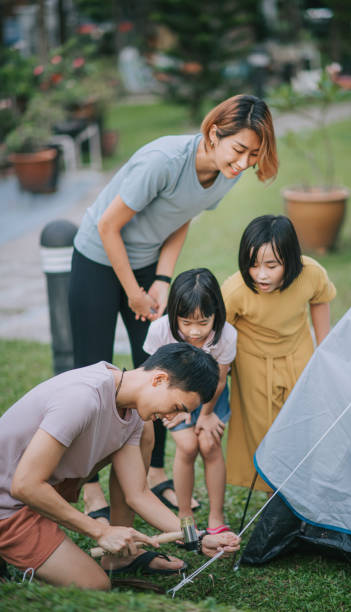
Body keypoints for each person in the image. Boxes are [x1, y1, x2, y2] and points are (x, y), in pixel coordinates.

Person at [68, 93, 278, 515]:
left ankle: (154, 469)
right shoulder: (163, 160)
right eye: (239, 150)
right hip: (98, 256)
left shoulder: (226, 172)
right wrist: (133, 291)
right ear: (214, 132)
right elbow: (108, 225)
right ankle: (88, 483)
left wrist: (162, 279)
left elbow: (183, 214)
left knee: (161, 366)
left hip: (146, 265)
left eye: (253, 156)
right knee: (93, 368)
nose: (242, 164)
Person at [0, 344, 240, 590]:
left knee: (145, 432)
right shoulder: (83, 397)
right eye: (177, 407)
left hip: (34, 492)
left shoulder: (131, 410)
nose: (171, 417)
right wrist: (100, 531)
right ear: (159, 379)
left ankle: (113, 556)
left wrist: (198, 538)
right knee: (95, 586)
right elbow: (24, 485)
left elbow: (138, 494)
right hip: (9, 504)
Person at [222, 215, 337, 491]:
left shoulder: (312, 273)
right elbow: (219, 337)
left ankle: (302, 488)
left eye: (271, 265)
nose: (261, 274)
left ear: (291, 258)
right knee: (262, 430)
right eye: (253, 265)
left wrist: (323, 349)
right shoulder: (234, 290)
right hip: (254, 362)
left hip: (299, 352)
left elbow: (320, 300)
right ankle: (275, 492)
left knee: (304, 423)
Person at [144, 269, 237, 534]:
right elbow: (151, 376)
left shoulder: (226, 335)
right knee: (187, 447)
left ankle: (216, 518)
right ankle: (185, 516)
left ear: (216, 314)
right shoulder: (160, 330)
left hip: (210, 398)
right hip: (172, 396)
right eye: (185, 322)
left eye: (203, 322)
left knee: (209, 444)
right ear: (173, 314)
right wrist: (171, 409)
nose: (194, 331)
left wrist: (205, 414)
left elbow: (219, 381)